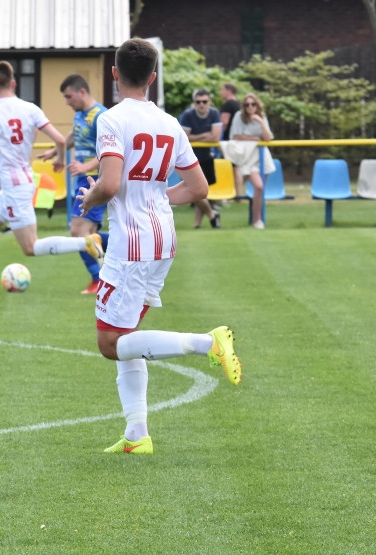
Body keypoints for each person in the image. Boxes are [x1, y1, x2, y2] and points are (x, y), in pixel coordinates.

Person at [76, 38, 242, 455]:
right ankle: (137, 435)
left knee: (110, 344)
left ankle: (208, 342)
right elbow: (200, 187)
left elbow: (110, 183)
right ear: (152, 78)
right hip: (163, 238)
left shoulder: (111, 120)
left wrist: (91, 197)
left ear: (114, 74)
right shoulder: (170, 122)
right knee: (127, 332)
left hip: (130, 242)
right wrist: (156, 197)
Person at [0, 61, 105, 303]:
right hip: (21, 182)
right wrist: (60, 160)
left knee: (30, 247)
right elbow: (61, 140)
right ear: (13, 83)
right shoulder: (30, 109)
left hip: (14, 187)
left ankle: (86, 243)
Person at [37, 74, 111, 295]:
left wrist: (85, 167)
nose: (67, 102)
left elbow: (111, 152)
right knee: (83, 234)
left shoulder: (102, 116)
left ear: (82, 92)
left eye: (69, 96)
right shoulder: (81, 114)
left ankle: (99, 279)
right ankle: (118, 250)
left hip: (95, 179)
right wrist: (54, 152)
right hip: (84, 178)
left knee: (79, 233)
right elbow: (73, 136)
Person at [224, 93, 275, 228]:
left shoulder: (262, 117)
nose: (250, 107)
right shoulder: (238, 116)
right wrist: (255, 139)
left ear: (257, 105)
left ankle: (256, 218)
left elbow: (268, 138)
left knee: (260, 190)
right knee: (258, 186)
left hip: (262, 155)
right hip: (247, 156)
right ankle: (256, 220)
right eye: (247, 105)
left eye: (253, 104)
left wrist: (259, 121)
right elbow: (235, 136)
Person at [178, 88, 222, 229]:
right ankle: (212, 215)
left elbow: (215, 136)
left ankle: (197, 224)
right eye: (198, 102)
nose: (201, 104)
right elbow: (185, 137)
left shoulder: (214, 113)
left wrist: (195, 136)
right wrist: (206, 135)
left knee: (202, 192)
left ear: (209, 102)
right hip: (189, 158)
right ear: (194, 103)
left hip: (207, 157)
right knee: (195, 190)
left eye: (204, 101)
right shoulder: (187, 115)